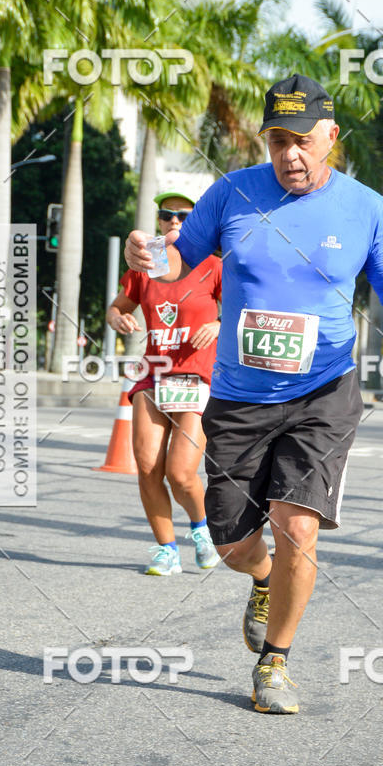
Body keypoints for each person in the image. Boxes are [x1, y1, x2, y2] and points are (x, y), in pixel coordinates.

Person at [125, 75, 383, 714]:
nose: (290, 154)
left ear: (332, 136)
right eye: (277, 141)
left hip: (324, 389)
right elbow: (177, 260)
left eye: (303, 140)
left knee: (297, 526)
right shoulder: (233, 191)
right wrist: (146, 255)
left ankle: (275, 663)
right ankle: (263, 578)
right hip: (240, 395)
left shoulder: (366, 207)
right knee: (230, 543)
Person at [107, 190, 222, 576]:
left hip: (195, 377)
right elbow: (118, 307)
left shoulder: (213, 266)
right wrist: (118, 318)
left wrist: (217, 324)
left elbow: (242, 310)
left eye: (183, 216)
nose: (174, 221)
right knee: (147, 466)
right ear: (158, 221)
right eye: (167, 215)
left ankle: (202, 531)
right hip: (152, 375)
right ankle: (166, 550)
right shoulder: (145, 267)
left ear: (196, 221)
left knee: (181, 472)